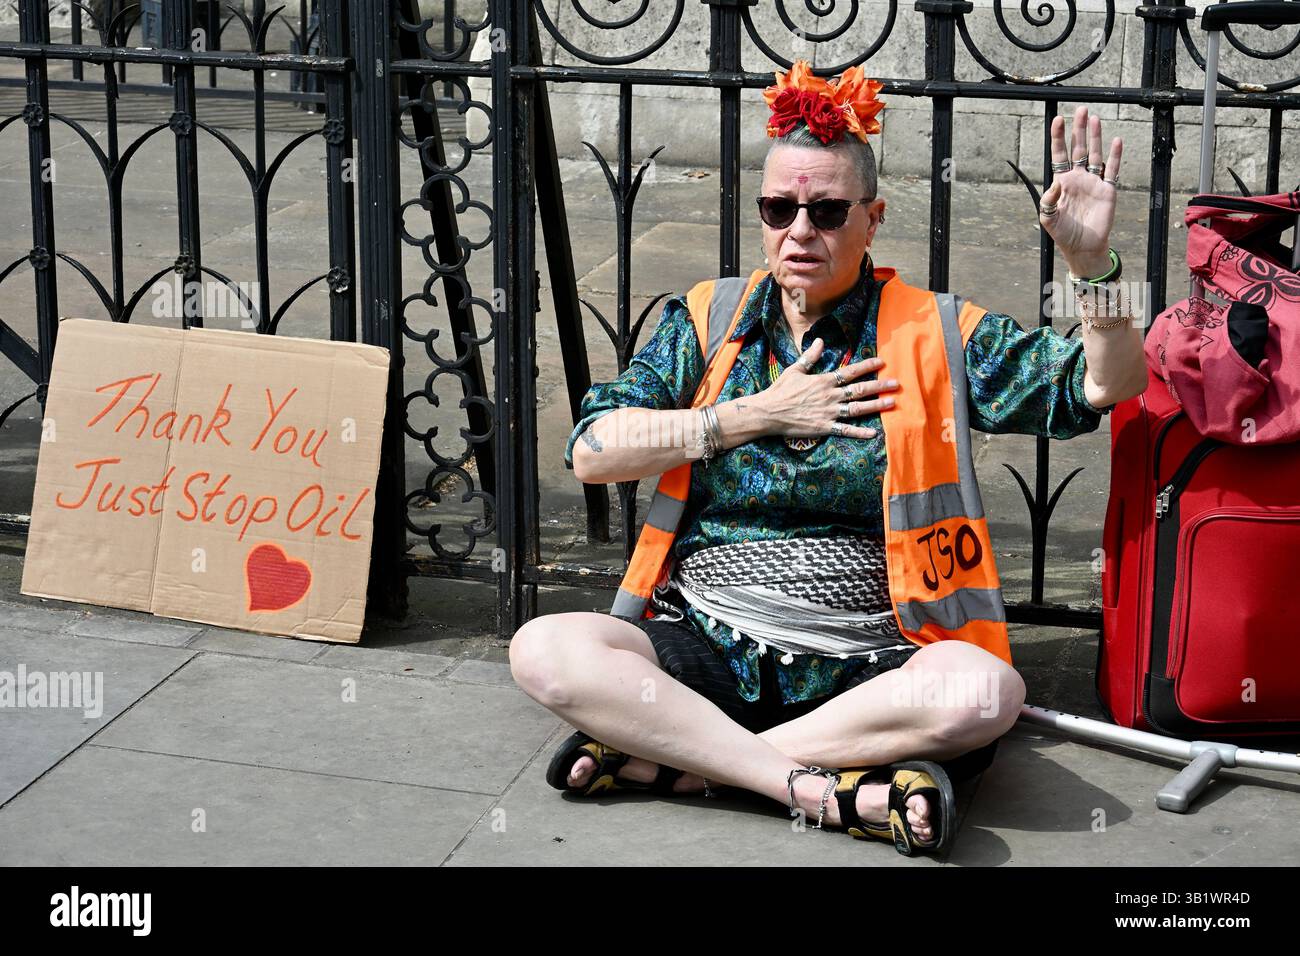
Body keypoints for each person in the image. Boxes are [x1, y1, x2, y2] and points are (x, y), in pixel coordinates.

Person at [509, 61, 1148, 855]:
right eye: (780, 208)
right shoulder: (707, 321)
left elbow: (1102, 384)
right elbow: (592, 452)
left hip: (873, 661)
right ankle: (827, 786)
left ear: (872, 218)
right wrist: (749, 416)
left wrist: (1095, 267)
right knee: (544, 649)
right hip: (708, 644)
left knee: (986, 693)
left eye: (828, 210)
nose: (800, 231)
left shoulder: (934, 332)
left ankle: (695, 762)